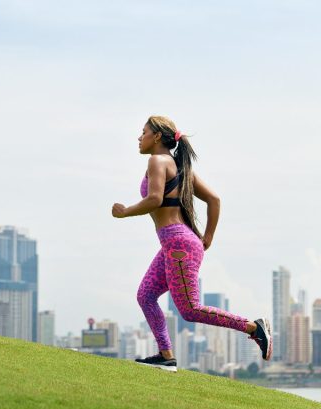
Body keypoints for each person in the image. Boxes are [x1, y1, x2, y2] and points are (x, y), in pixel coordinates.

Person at [112, 115, 272, 372]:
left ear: (156, 137)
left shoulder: (157, 161)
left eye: (143, 132)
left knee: (189, 309)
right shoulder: (179, 167)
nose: (139, 138)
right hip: (175, 243)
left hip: (178, 243)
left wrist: (125, 211)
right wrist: (207, 238)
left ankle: (254, 327)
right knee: (146, 295)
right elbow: (215, 200)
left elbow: (154, 199)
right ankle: (166, 355)